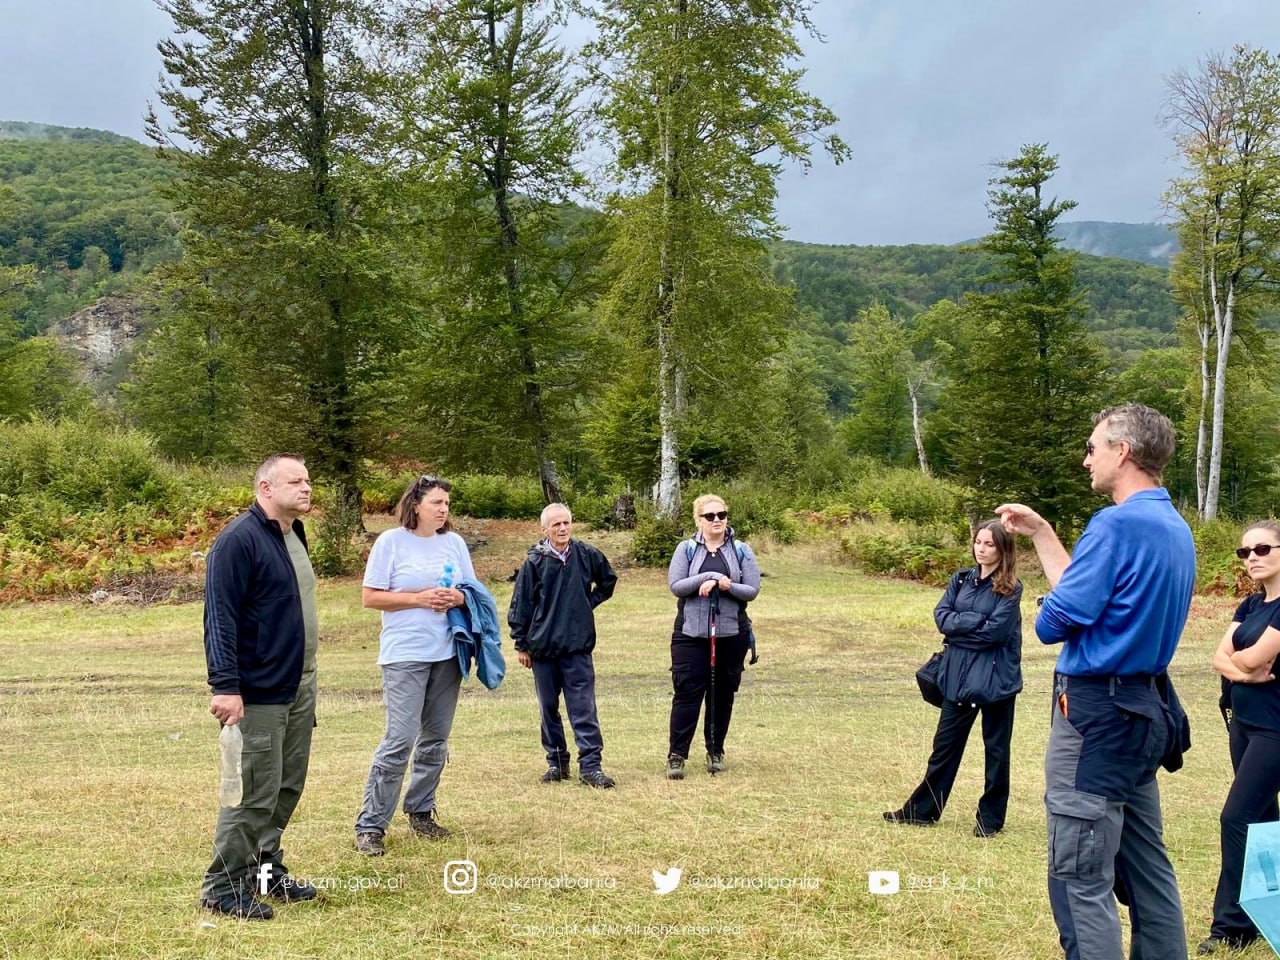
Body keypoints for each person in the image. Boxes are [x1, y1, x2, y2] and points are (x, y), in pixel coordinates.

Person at [997, 403, 1195, 960]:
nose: (1086, 460)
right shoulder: (1171, 526)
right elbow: (1089, 594)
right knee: (1146, 864)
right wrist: (1042, 534)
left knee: (1080, 872)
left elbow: (1053, 621)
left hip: (1093, 715)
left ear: (1122, 451)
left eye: (1092, 448)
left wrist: (1049, 605)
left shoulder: (1116, 523)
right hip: (1143, 710)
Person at [200, 453, 320, 921]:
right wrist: (226, 686)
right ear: (266, 489)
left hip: (299, 682)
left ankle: (264, 872)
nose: (307, 488)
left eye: (308, 481)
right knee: (254, 791)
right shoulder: (238, 540)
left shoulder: (294, 533)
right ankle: (222, 886)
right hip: (258, 691)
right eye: (296, 481)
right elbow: (220, 618)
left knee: (287, 785)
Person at [354, 475, 472, 857]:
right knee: (400, 739)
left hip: (447, 653)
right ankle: (371, 825)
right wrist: (419, 599)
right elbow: (370, 598)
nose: (443, 509)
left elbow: (471, 592)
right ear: (416, 504)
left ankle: (421, 811)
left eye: (447, 504)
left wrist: (455, 597)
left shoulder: (453, 543)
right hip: (405, 654)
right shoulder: (391, 542)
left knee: (435, 738)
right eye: (437, 502)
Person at [884, 519, 1023, 837]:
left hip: (995, 679)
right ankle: (922, 810)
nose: (982, 549)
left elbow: (996, 633)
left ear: (1003, 549)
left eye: (990, 544)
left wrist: (962, 628)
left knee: (997, 751)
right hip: (959, 677)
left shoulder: (1010, 588)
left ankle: (990, 819)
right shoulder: (961, 580)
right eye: (978, 542)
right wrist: (974, 622)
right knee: (944, 747)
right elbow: (942, 618)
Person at [1200, 521, 1280, 955]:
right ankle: (1268, 913)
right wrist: (1239, 672)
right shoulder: (1251, 605)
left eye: (1263, 548)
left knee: (1236, 818)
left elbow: (1253, 656)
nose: (1252, 557)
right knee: (1265, 821)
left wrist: (1240, 665)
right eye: (1245, 551)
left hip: (1275, 729)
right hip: (1243, 724)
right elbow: (1223, 658)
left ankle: (1231, 925)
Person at [508, 503, 619, 788]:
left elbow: (608, 581)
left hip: (577, 646)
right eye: (556, 524)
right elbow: (521, 604)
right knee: (548, 707)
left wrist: (587, 604)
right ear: (544, 529)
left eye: (566, 523)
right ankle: (556, 762)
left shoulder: (586, 554)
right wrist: (521, 644)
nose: (562, 528)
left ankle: (591, 766)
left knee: (583, 707)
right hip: (542, 648)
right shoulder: (535, 561)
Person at [666, 494, 761, 779]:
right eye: (710, 516)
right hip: (690, 634)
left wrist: (726, 585)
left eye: (722, 514)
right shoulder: (686, 549)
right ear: (699, 520)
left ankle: (715, 751)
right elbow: (677, 585)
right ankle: (677, 756)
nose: (717, 520)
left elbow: (752, 590)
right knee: (687, 693)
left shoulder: (742, 550)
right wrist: (705, 578)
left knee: (722, 695)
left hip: (731, 633)